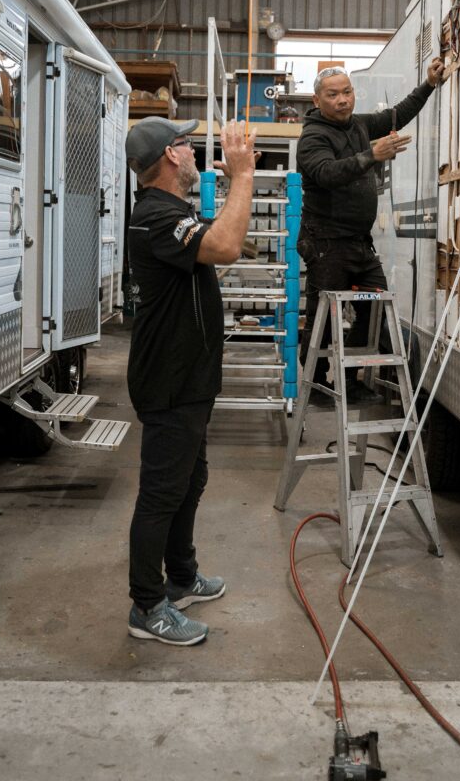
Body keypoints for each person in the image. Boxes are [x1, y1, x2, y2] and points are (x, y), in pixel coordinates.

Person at [125, 116, 256, 645]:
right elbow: (226, 248)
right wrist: (243, 178)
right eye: (188, 144)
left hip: (190, 377)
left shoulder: (173, 210)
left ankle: (181, 577)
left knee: (189, 481)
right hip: (169, 380)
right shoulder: (156, 216)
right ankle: (146, 606)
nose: (197, 152)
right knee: (161, 494)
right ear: (173, 156)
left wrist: (231, 191)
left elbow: (222, 240)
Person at [297, 60, 444, 404]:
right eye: (333, 95)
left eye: (347, 92)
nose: (343, 100)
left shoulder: (359, 125)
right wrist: (370, 156)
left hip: (359, 245)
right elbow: (327, 173)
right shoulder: (313, 136)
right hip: (326, 244)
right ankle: (317, 384)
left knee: (374, 306)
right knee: (322, 316)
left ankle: (348, 381)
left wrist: (429, 84)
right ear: (317, 101)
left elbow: (397, 115)